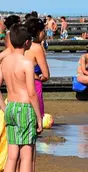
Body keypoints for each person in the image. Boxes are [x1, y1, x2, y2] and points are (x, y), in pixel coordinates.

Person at [2, 24, 42, 172]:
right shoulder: (27, 63)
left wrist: (5, 108)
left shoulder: (5, 61)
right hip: (25, 108)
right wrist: (38, 117)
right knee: (26, 155)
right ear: (27, 42)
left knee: (12, 156)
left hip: (11, 106)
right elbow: (31, 93)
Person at [25, 18, 50, 119]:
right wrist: (42, 78)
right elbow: (46, 75)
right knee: (36, 116)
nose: (45, 33)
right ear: (39, 32)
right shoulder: (37, 48)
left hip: (20, 84)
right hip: (34, 83)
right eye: (44, 31)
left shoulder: (21, 45)